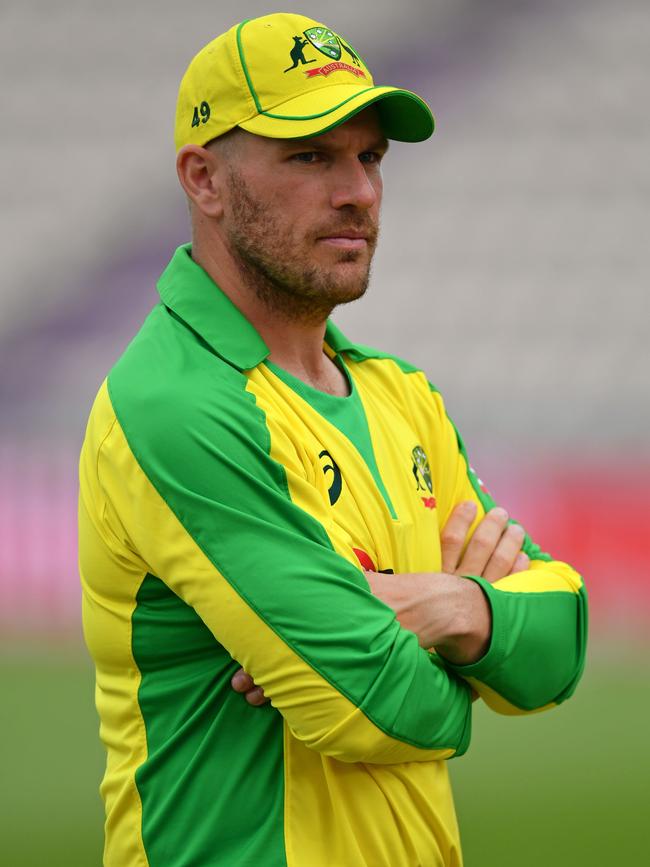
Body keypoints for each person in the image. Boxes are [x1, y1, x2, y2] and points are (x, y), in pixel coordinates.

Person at [78, 12, 588, 867]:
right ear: (203, 179)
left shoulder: (400, 393)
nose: (357, 189)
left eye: (370, 156)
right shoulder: (174, 403)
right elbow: (380, 705)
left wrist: (441, 606)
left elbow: (561, 644)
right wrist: (477, 638)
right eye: (311, 155)